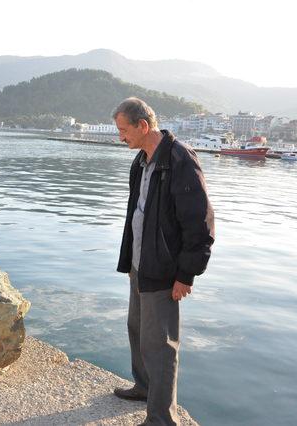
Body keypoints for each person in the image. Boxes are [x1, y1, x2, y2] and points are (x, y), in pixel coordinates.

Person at [112, 97, 214, 425]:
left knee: (160, 345)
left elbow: (200, 222)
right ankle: (144, 387)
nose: (120, 136)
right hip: (140, 264)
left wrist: (187, 274)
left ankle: (161, 418)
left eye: (124, 130)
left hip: (165, 270)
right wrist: (130, 259)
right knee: (137, 330)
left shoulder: (179, 159)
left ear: (143, 126)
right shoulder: (141, 160)